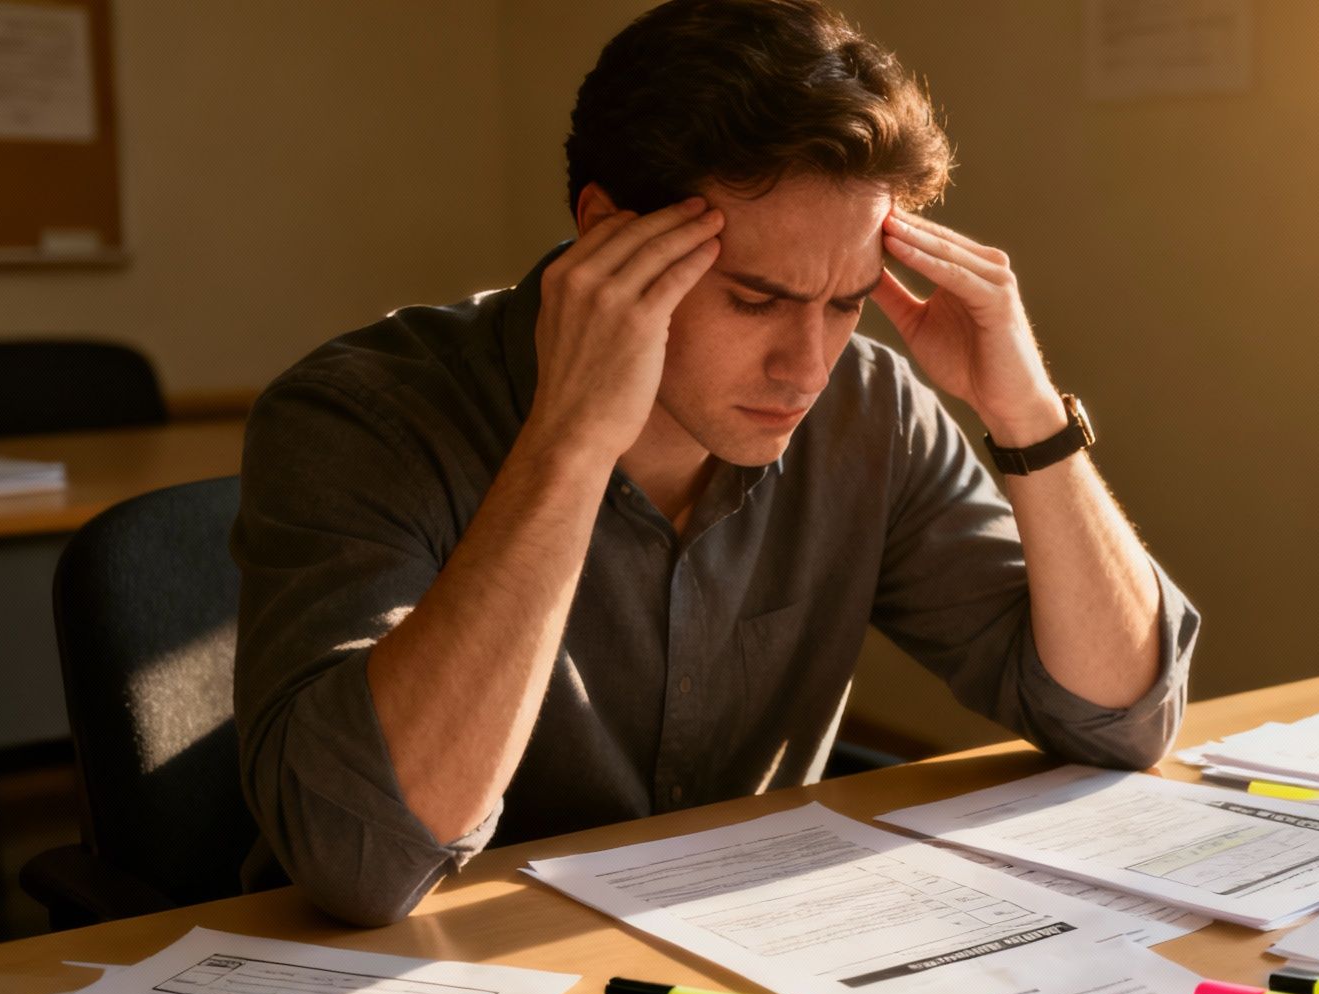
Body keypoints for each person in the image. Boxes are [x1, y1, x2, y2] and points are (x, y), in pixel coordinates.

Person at [232, 0, 1199, 926]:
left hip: (729, 962)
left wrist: (1025, 414)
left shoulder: (870, 407)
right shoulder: (361, 416)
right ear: (608, 232)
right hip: (419, 990)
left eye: (847, 301)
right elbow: (365, 863)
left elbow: (1119, 718)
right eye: (755, 300)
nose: (808, 366)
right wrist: (569, 444)